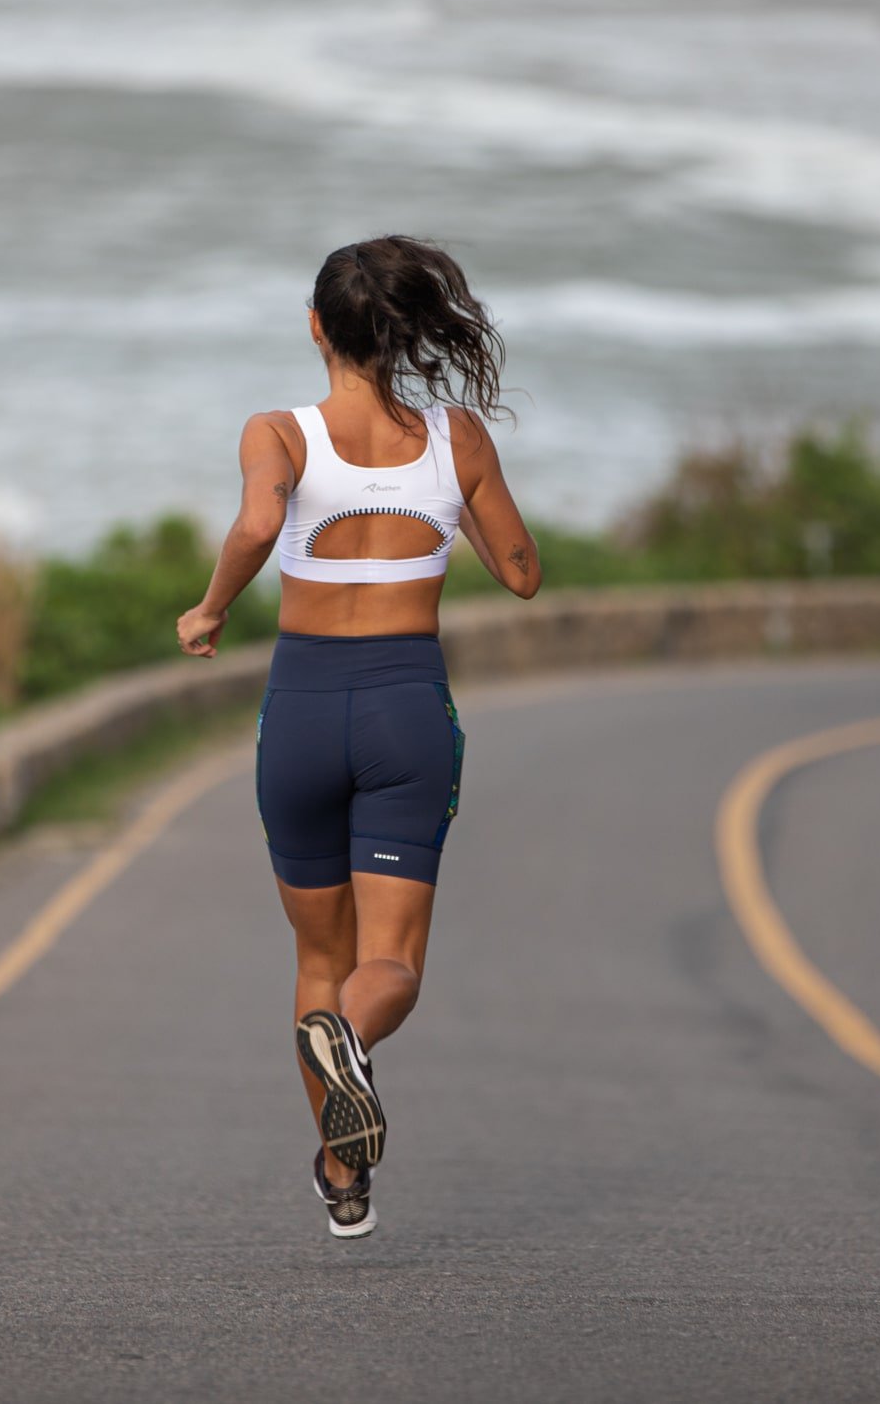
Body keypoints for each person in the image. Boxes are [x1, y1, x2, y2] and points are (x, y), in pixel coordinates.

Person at [175, 237, 541, 1239]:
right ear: (405, 332)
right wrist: (447, 508)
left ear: (314, 326)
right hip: (405, 709)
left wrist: (208, 609)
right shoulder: (455, 438)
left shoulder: (278, 433)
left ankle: (345, 1173)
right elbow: (520, 569)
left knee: (316, 952)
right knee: (390, 962)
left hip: (299, 710)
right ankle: (352, 1054)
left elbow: (256, 527)